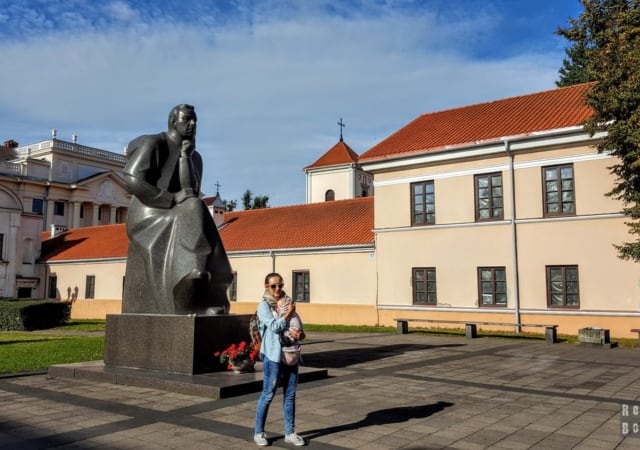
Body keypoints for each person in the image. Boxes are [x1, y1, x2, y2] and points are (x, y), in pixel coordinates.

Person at [121, 104, 233, 315]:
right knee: (193, 206)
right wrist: (169, 198)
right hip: (149, 211)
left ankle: (213, 284)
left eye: (195, 121)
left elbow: (190, 191)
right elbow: (132, 179)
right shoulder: (155, 143)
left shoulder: (195, 156)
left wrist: (185, 157)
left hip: (180, 211)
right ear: (173, 122)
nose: (192, 124)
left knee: (196, 208)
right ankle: (189, 283)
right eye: (187, 120)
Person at [254, 273, 306, 447]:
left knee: (290, 395)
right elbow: (275, 327)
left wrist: (300, 333)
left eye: (280, 285)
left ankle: (290, 433)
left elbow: (299, 327)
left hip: (291, 353)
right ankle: (259, 432)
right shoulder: (263, 306)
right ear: (266, 286)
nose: (277, 289)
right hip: (273, 357)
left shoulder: (287, 301)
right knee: (268, 394)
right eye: (273, 286)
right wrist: (289, 312)